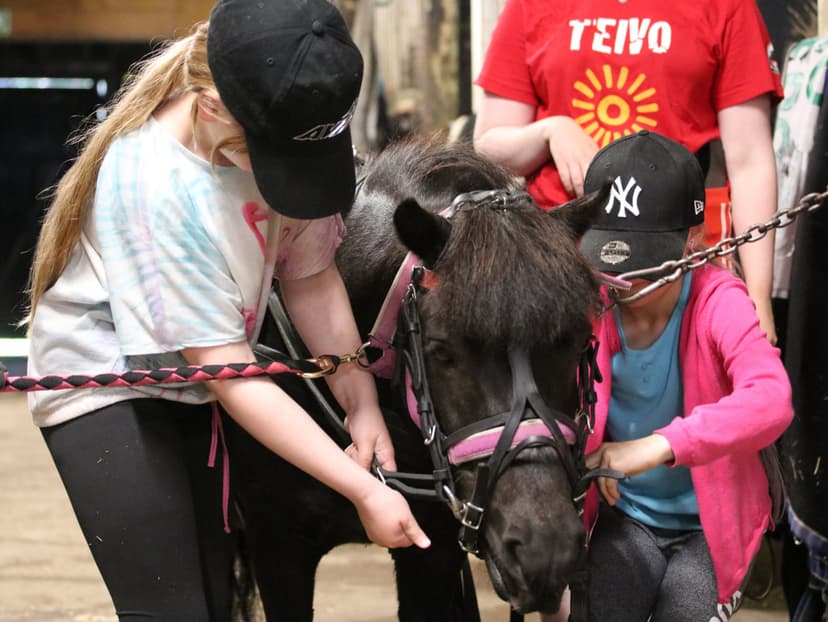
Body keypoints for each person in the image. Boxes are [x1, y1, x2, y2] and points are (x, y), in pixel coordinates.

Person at [23, 0, 430, 619]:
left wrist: (361, 401)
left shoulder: (288, 123)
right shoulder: (154, 185)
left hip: (202, 377)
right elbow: (229, 374)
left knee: (217, 602)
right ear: (213, 106)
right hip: (107, 384)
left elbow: (310, 275)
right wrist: (359, 490)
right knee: (173, 608)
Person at [570, 131, 792, 621]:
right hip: (625, 517)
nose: (625, 281)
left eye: (643, 262)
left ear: (694, 241)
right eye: (613, 258)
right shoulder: (593, 305)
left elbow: (773, 399)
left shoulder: (718, 300)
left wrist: (655, 446)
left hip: (708, 530)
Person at [473, 0, 784, 344]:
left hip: (677, 263)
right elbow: (489, 146)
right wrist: (550, 131)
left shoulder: (726, 7)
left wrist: (757, 299)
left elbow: (750, 161)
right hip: (560, 262)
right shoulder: (530, 6)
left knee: (695, 392)